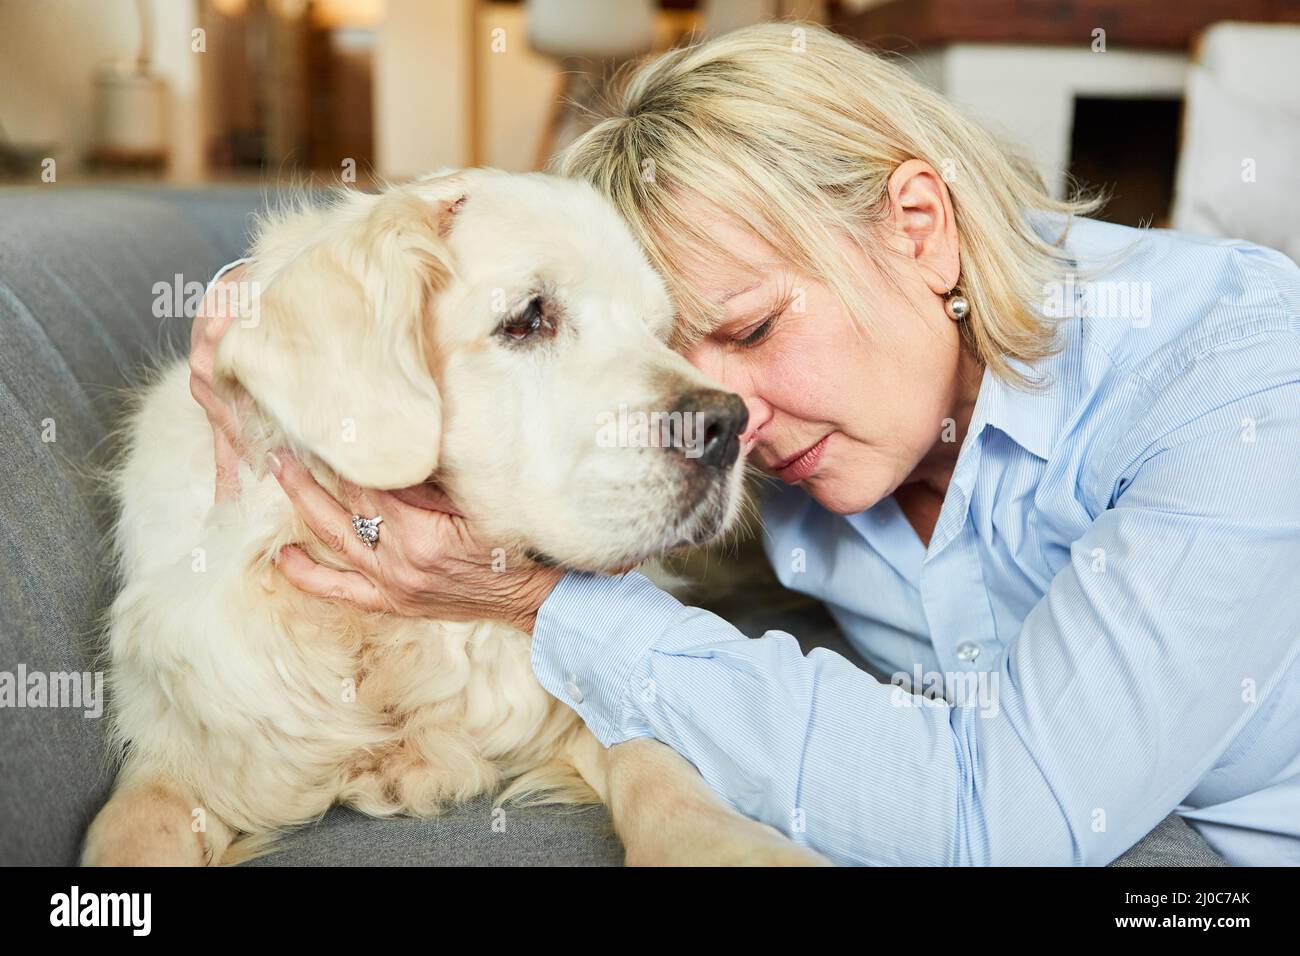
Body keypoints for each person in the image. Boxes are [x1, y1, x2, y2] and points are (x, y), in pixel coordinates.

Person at [190, 23, 1300, 865]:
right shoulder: (824, 422)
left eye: (757, 327)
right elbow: (498, 286)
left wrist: (534, 600)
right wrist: (285, 304)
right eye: (685, 364)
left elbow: (1007, 816)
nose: (732, 426)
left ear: (918, 227)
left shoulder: (1239, 381)